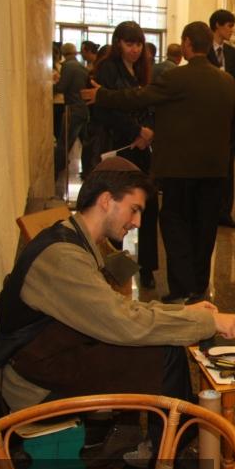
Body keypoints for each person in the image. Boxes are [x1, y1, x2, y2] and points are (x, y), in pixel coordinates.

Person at [0, 157, 235, 415]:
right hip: (36, 389)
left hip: (51, 359)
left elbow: (119, 308)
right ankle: (177, 436)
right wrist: (208, 322)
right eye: (133, 209)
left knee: (162, 349)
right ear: (106, 200)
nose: (138, 222)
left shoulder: (74, 237)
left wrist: (186, 312)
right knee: (164, 356)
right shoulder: (64, 257)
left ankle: (178, 427)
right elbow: (124, 322)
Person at [84, 21, 235, 305]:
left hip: (177, 169)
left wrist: (102, 95)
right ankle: (199, 287)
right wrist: (223, 144)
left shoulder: (176, 77)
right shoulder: (226, 80)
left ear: (187, 44)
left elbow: (138, 98)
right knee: (205, 227)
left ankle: (181, 288)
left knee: (175, 226)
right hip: (213, 170)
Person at [89, 22, 159, 289]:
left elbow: (149, 105)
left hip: (141, 149)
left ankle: (147, 267)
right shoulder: (107, 68)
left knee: (148, 207)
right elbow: (104, 111)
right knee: (116, 208)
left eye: (139, 44)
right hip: (116, 147)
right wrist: (137, 131)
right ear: (118, 43)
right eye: (129, 44)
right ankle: (114, 269)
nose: (135, 49)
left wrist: (148, 132)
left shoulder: (142, 70)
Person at [207, 9, 235, 229]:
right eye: (229, 25)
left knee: (228, 168)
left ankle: (224, 212)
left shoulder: (232, 53)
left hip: (227, 117)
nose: (233, 30)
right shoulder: (203, 50)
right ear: (217, 25)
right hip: (207, 116)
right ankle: (208, 211)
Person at [53, 43, 93, 178]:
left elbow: (62, 87)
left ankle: (56, 170)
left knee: (64, 142)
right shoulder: (81, 67)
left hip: (73, 108)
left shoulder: (68, 66)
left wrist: (50, 86)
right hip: (83, 109)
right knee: (86, 143)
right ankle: (88, 171)